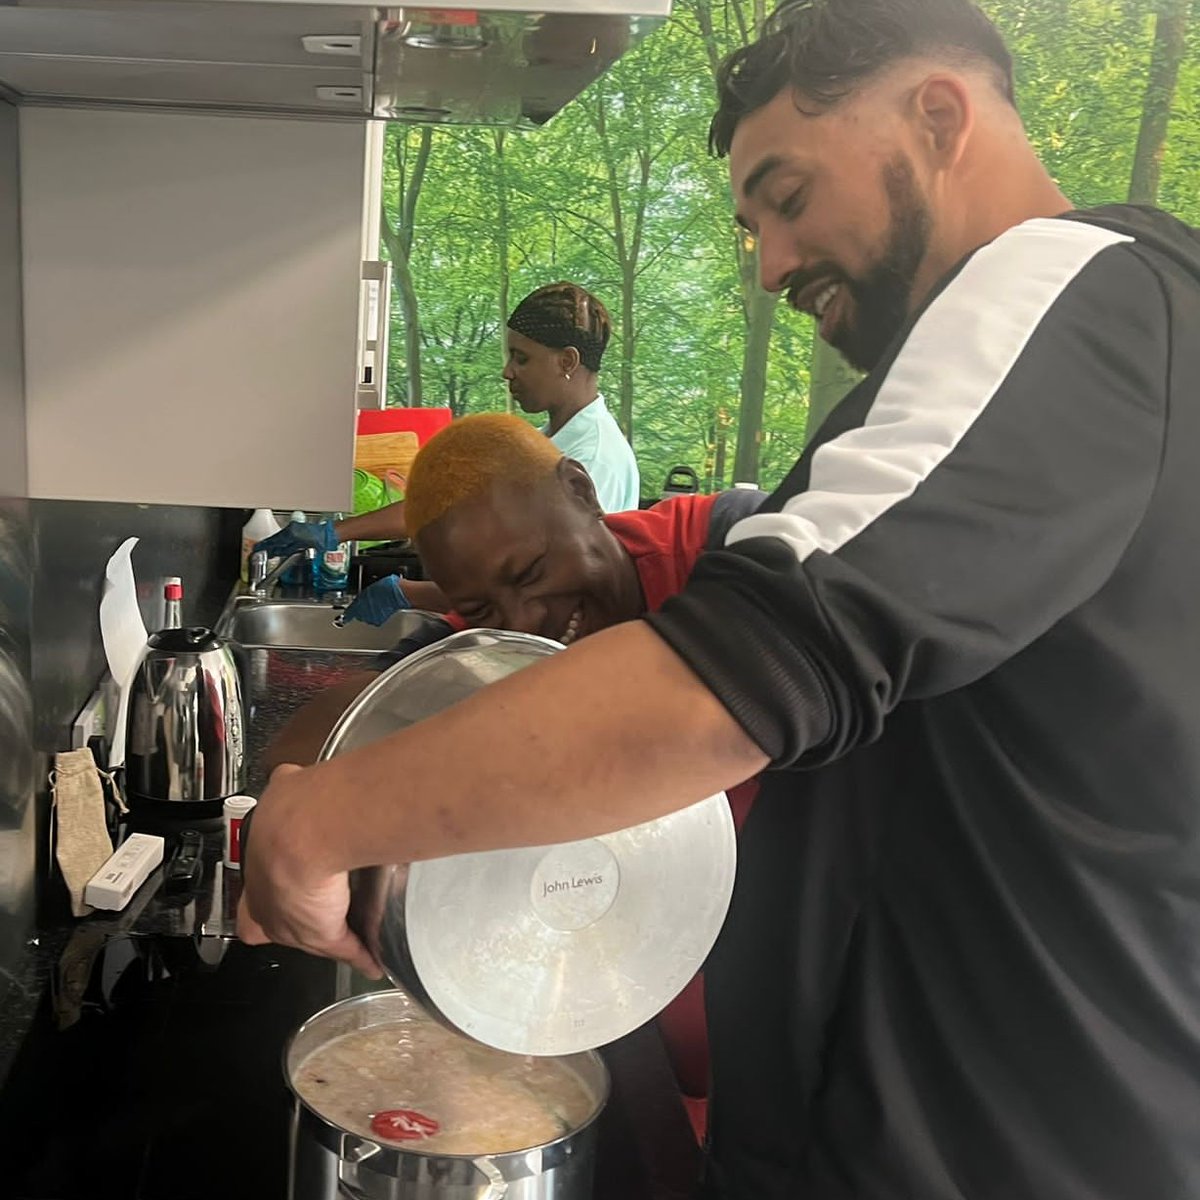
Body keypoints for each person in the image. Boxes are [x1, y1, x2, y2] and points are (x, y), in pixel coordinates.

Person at [239, 1, 1200, 1197]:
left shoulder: (1072, 294)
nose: (772, 264)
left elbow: (752, 666)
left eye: (788, 198)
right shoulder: (1047, 376)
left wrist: (323, 821)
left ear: (940, 117)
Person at [261, 412, 760, 1138]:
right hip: (634, 1004)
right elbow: (315, 739)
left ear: (582, 490)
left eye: (529, 573)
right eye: (487, 606)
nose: (531, 619)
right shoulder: (504, 658)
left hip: (807, 1028)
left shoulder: (728, 554)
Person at [253, 283, 640, 623]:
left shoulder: (591, 459)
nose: (507, 372)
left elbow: (541, 591)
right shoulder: (548, 441)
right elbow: (454, 509)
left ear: (567, 361)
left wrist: (408, 593)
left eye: (522, 358)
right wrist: (333, 532)